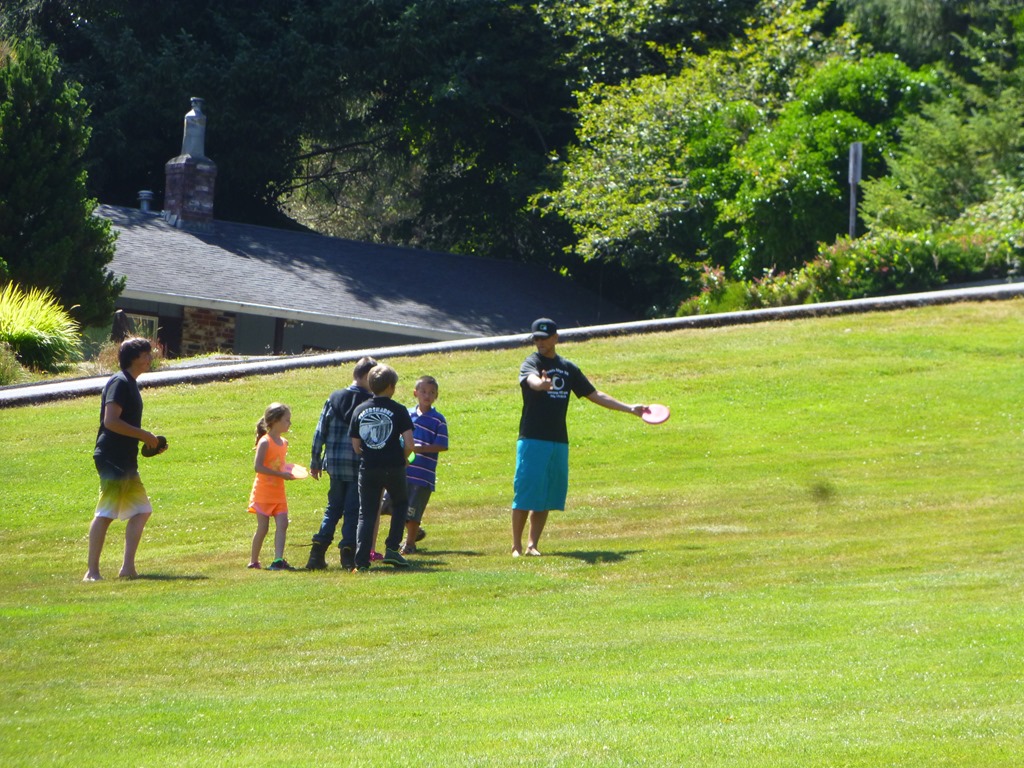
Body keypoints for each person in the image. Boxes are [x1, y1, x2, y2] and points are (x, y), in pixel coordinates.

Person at [512, 318, 648, 558]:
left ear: (555, 338)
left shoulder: (568, 368)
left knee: (546, 494)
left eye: (544, 338)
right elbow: (530, 379)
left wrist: (629, 408)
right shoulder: (531, 362)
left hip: (558, 440)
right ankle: (516, 546)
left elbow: (594, 394)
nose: (540, 342)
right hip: (532, 438)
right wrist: (540, 385)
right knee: (526, 492)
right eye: (536, 338)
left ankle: (532, 545)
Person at [84, 337, 166, 581]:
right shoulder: (120, 382)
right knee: (106, 513)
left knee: (142, 510)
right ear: (133, 358)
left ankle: (127, 568)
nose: (150, 358)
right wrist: (144, 435)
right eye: (146, 354)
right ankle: (92, 572)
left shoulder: (130, 383)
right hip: (112, 456)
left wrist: (149, 443)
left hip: (126, 458)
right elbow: (111, 421)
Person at [304, 356, 378, 570]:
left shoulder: (334, 398)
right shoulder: (371, 404)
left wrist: (315, 461)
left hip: (335, 464)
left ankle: (317, 553)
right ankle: (348, 554)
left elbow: (320, 431)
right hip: (358, 464)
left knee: (332, 508)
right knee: (353, 510)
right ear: (367, 377)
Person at [350, 364, 415, 571]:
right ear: (391, 387)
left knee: (366, 513)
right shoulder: (399, 410)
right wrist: (404, 457)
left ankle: (361, 561)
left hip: (369, 467)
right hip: (394, 466)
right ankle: (392, 549)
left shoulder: (359, 410)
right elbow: (410, 443)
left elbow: (356, 446)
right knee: (400, 504)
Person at [379, 375, 450, 555]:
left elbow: (442, 445)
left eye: (432, 392)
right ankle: (414, 531)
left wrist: (420, 448)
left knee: (413, 510)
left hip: (422, 474)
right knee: (387, 504)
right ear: (415, 393)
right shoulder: (407, 414)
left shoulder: (438, 419)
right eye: (423, 391)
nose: (427, 395)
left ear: (436, 396)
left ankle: (410, 543)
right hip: (402, 470)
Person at [248, 402, 298, 571]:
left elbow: (279, 464)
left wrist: (290, 471)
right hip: (263, 492)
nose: (290, 423)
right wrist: (280, 475)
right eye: (286, 420)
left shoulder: (284, 442)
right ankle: (254, 560)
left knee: (283, 524)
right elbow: (258, 467)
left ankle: (278, 559)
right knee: (263, 528)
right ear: (275, 421)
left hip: (278, 492)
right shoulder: (265, 442)